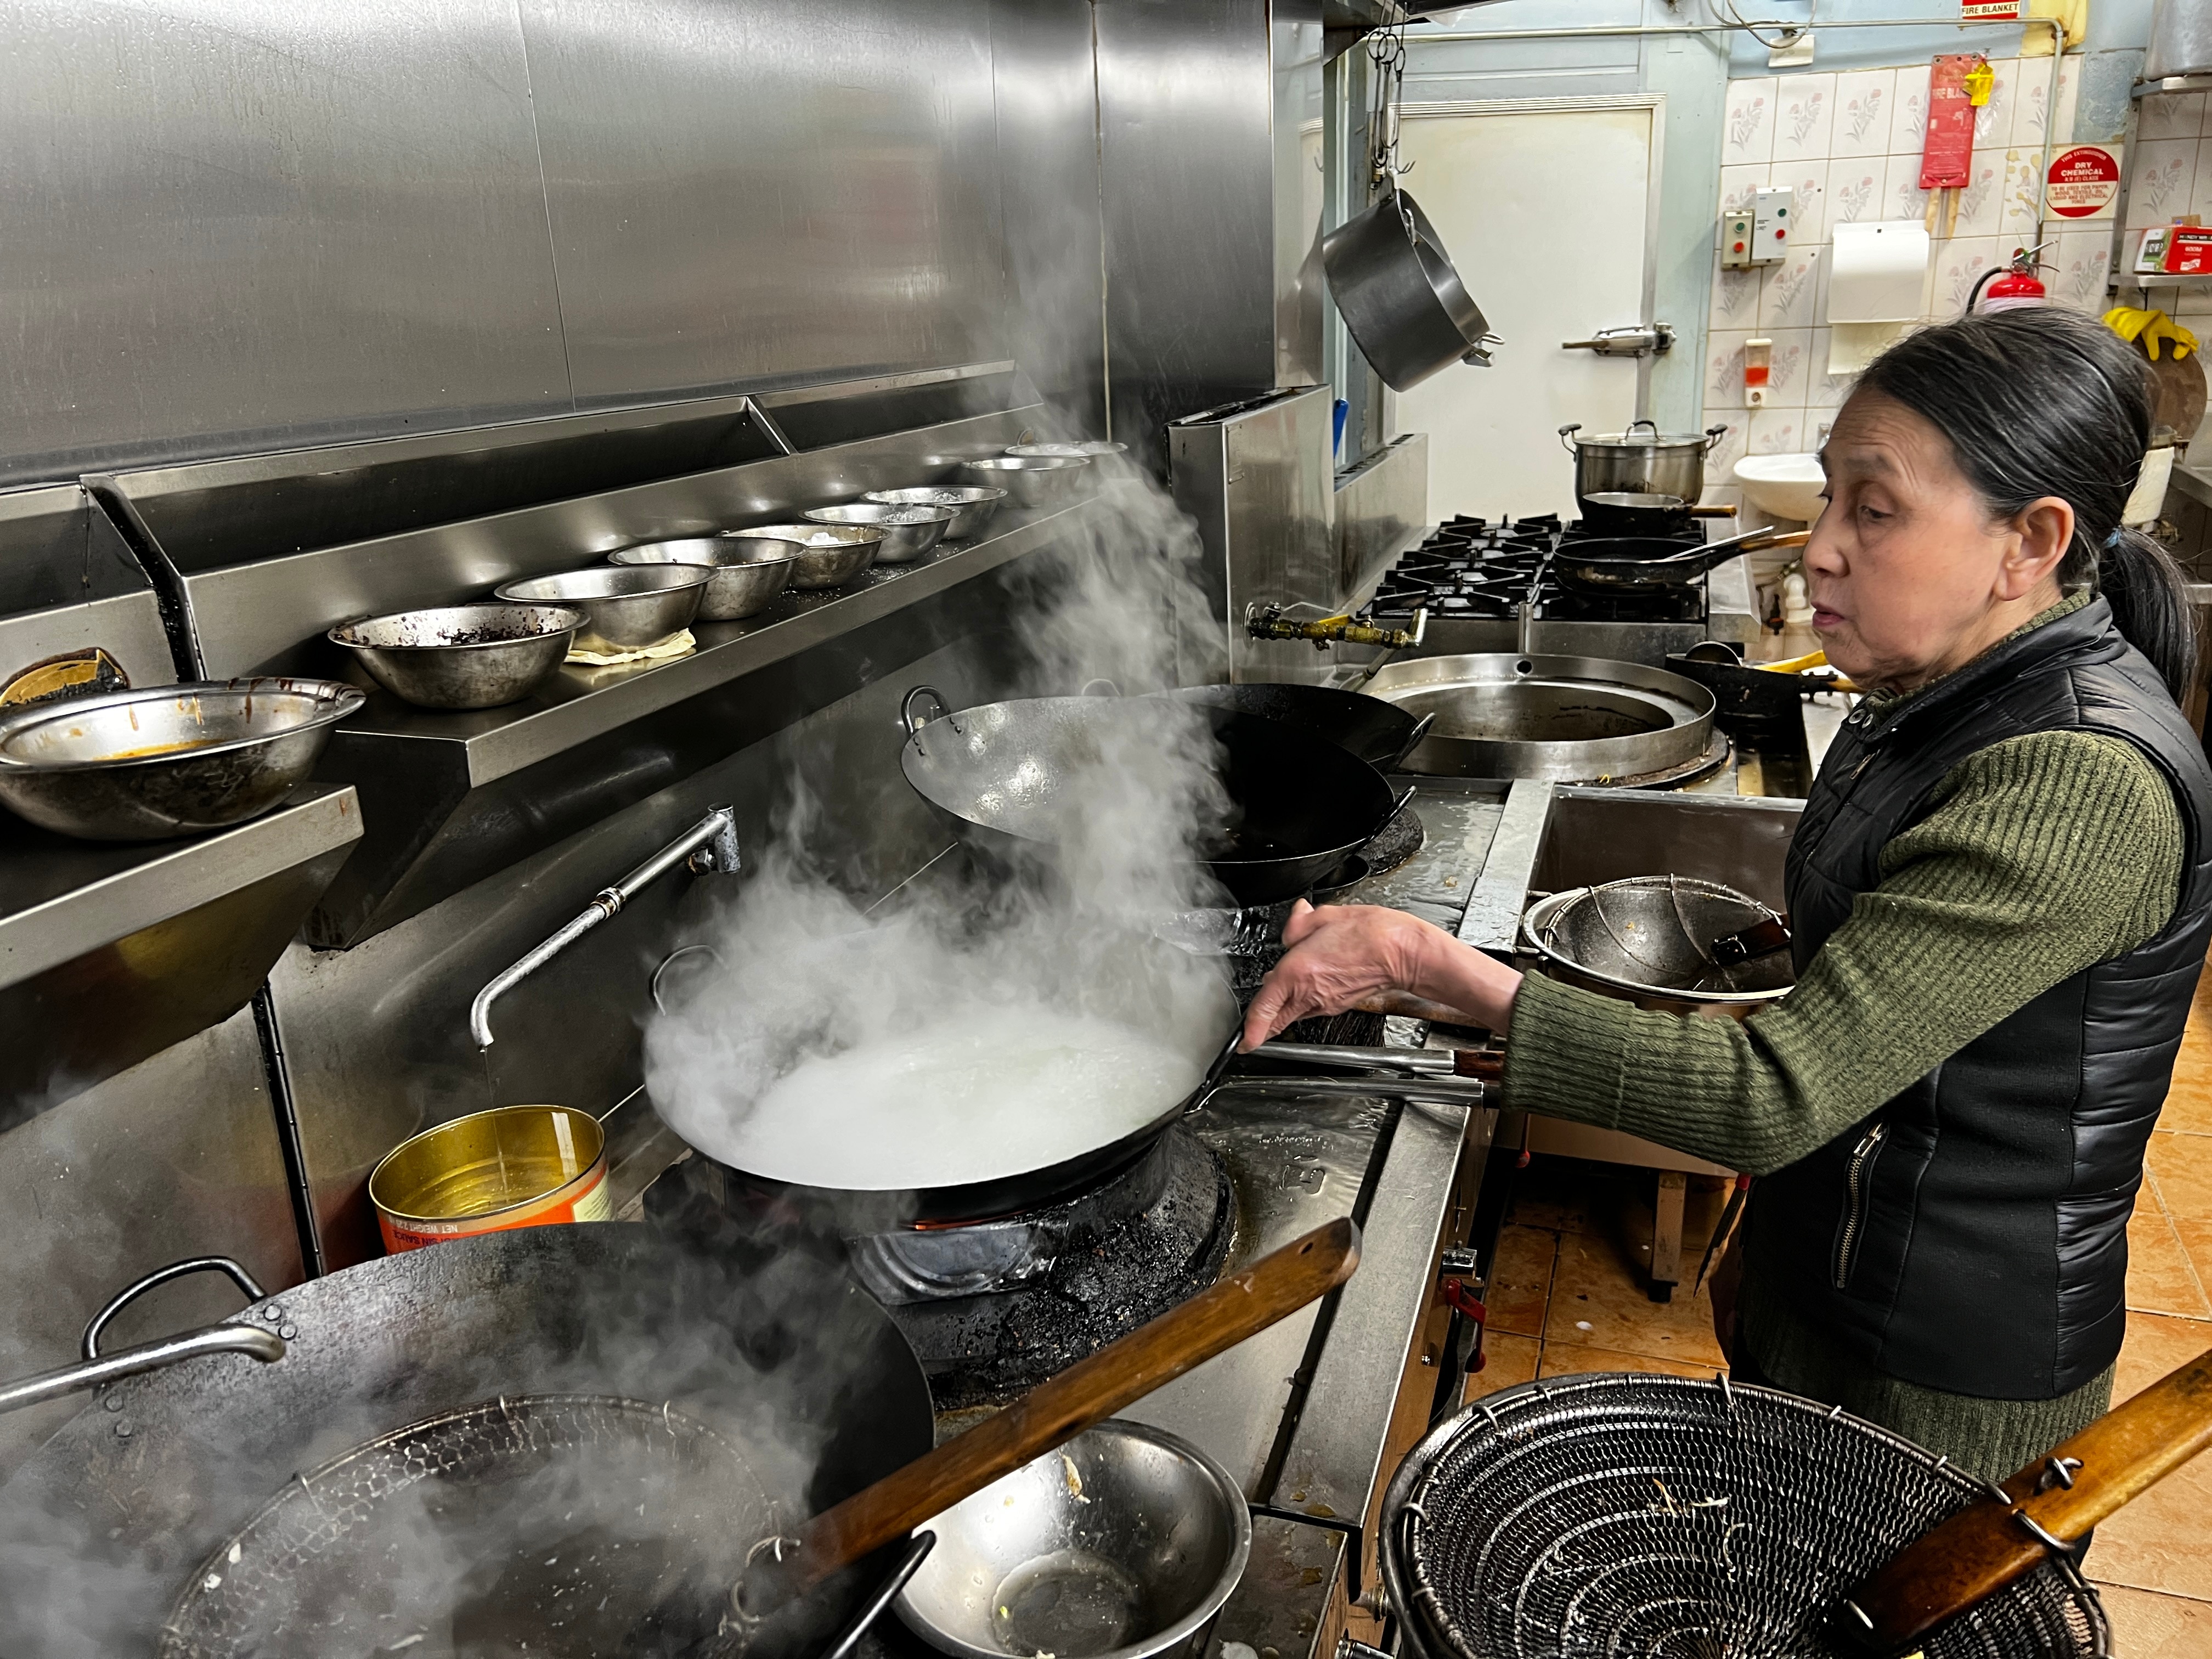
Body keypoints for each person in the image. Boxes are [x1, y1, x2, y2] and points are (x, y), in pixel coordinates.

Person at [1243, 306, 2212, 1481]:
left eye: (1876, 508)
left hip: (1937, 1375)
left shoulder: (2073, 777)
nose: (1820, 549)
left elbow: (1775, 1097)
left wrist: (1431, 969)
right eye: (1830, 499)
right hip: (1835, 1274)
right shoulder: (1936, 690)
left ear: (2032, 542)